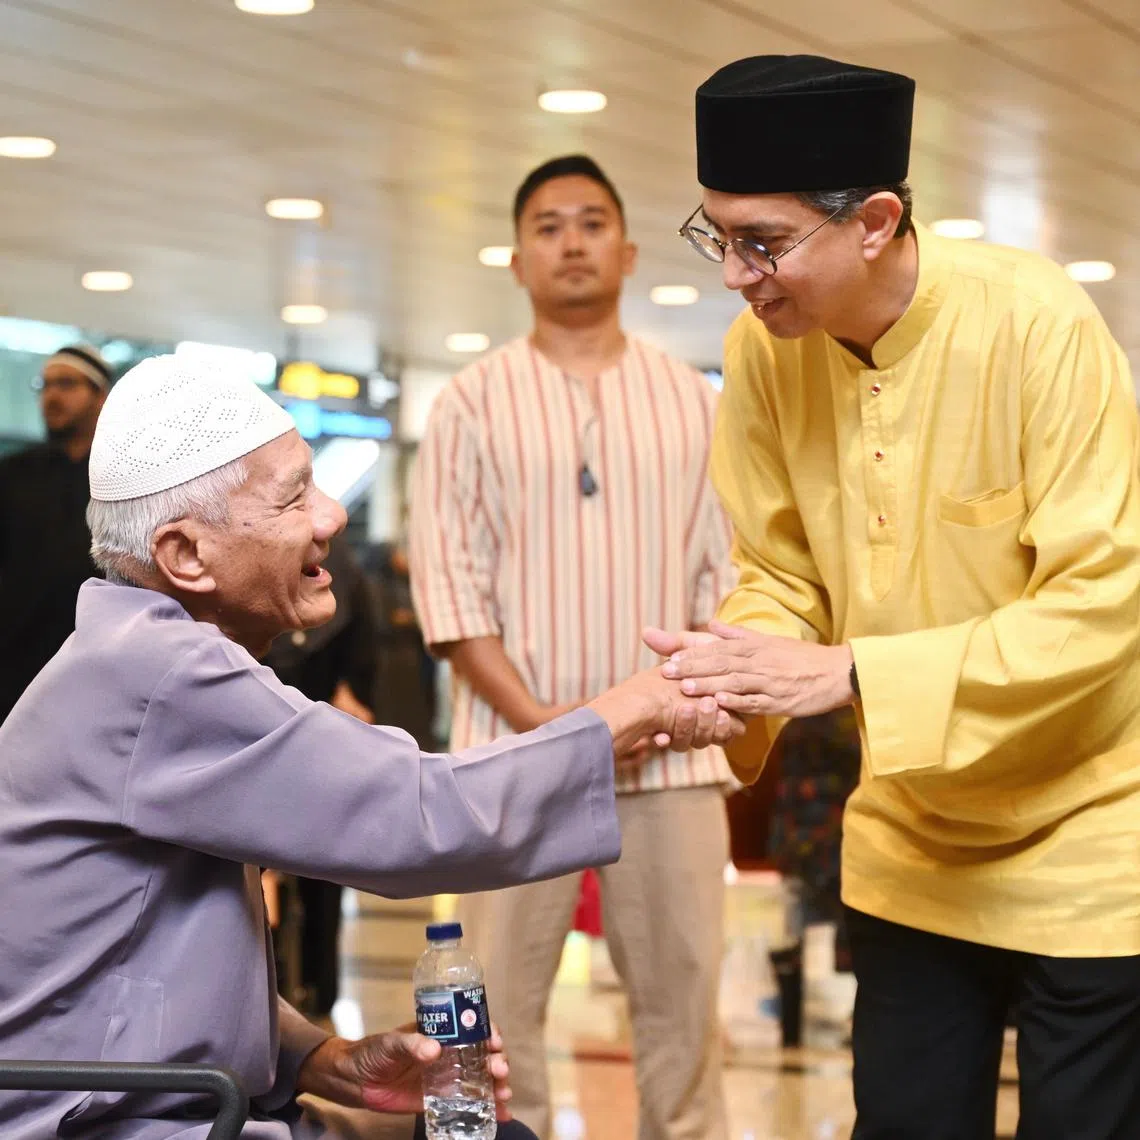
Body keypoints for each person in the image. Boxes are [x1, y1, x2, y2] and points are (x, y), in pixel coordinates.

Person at [0, 354, 741, 1140]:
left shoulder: (134, 654)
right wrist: (643, 701)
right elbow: (423, 815)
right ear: (186, 556)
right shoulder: (161, 675)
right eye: (292, 499)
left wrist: (323, 1058)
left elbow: (142, 969)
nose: (332, 516)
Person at [648, 54, 1140, 1140]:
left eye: (762, 243)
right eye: (717, 235)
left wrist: (852, 671)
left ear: (873, 221)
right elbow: (780, 575)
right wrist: (732, 677)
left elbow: (1105, 598)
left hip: (1093, 844)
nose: (735, 273)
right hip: (911, 845)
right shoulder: (763, 355)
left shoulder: (1035, 325)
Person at [409, 155, 735, 1140]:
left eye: (592, 222)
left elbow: (725, 581)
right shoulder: (467, 402)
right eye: (548, 226)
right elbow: (452, 591)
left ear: (629, 250)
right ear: (516, 259)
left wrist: (658, 708)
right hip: (512, 764)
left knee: (684, 1019)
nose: (572, 241)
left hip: (674, 760)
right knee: (492, 1023)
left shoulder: (696, 400)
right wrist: (558, 730)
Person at [263, 534, 380, 1019]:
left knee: (260, 871)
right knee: (323, 873)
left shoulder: (254, 576)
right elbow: (361, 683)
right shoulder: (346, 575)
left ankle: (277, 999)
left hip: (270, 744)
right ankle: (319, 993)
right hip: (324, 741)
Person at [0, 343, 111, 721]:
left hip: (95, 664)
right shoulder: (15, 472)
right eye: (45, 385)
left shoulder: (120, 477)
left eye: (66, 384)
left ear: (101, 395)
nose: (52, 396)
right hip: (15, 661)